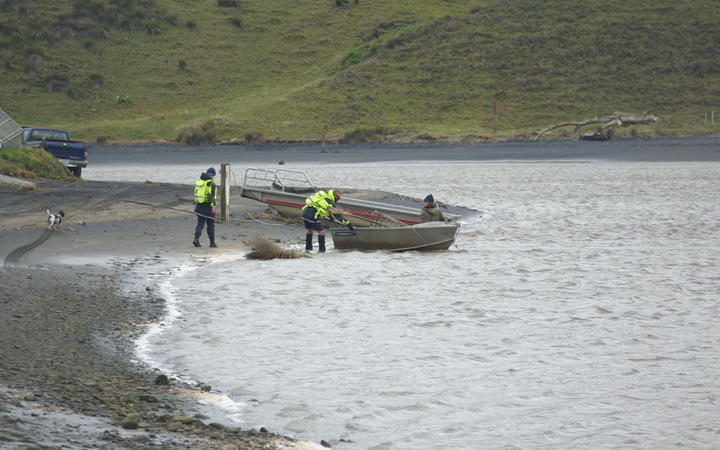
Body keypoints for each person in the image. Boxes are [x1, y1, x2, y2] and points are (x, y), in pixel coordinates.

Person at [193, 167, 218, 248]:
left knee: (200, 224)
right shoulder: (212, 184)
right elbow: (212, 197)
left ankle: (196, 239)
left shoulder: (200, 181)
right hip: (208, 207)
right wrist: (213, 207)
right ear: (214, 175)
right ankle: (212, 243)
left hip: (199, 205)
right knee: (210, 225)